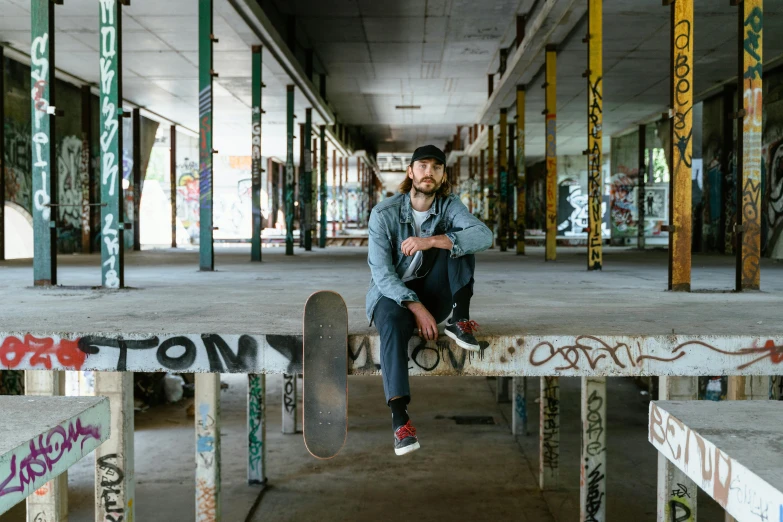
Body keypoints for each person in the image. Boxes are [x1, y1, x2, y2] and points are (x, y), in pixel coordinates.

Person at [365, 144, 493, 456]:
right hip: (391, 295)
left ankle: (459, 321)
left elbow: (484, 235)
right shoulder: (384, 214)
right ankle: (400, 420)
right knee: (394, 324)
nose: (429, 172)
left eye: (437, 167)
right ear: (410, 172)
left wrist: (433, 240)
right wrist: (415, 306)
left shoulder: (449, 207)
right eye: (422, 166)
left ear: (443, 174)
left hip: (435, 294)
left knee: (459, 242)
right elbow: (381, 274)